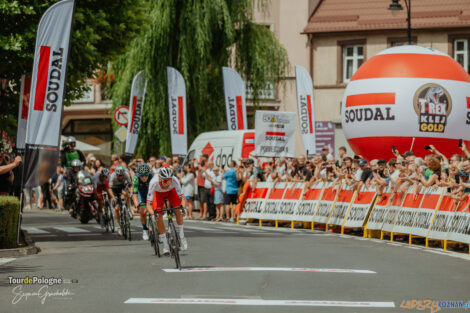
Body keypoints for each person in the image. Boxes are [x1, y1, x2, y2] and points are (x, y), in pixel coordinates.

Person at [146, 167, 187, 255]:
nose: (168, 182)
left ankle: (182, 236)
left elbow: (182, 198)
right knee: (158, 217)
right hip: (158, 194)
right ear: (160, 178)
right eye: (165, 180)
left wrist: (183, 208)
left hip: (171, 192)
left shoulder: (174, 180)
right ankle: (165, 246)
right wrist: (153, 214)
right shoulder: (154, 182)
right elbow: (148, 204)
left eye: (169, 180)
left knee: (178, 209)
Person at [131, 164, 153, 240]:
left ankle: (153, 226)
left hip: (151, 193)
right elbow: (135, 195)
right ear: (139, 175)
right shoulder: (136, 179)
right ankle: (144, 229)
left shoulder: (152, 177)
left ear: (148, 174)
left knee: (154, 209)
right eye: (142, 176)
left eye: (146, 176)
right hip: (141, 194)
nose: (144, 178)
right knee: (142, 211)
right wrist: (137, 205)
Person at [108, 164, 132, 235]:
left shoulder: (126, 174)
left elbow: (130, 185)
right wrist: (113, 197)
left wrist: (131, 193)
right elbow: (110, 189)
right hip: (114, 189)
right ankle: (119, 226)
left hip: (122, 187)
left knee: (126, 194)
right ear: (116, 173)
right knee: (116, 209)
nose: (120, 176)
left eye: (121, 175)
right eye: (118, 175)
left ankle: (128, 209)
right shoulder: (112, 176)